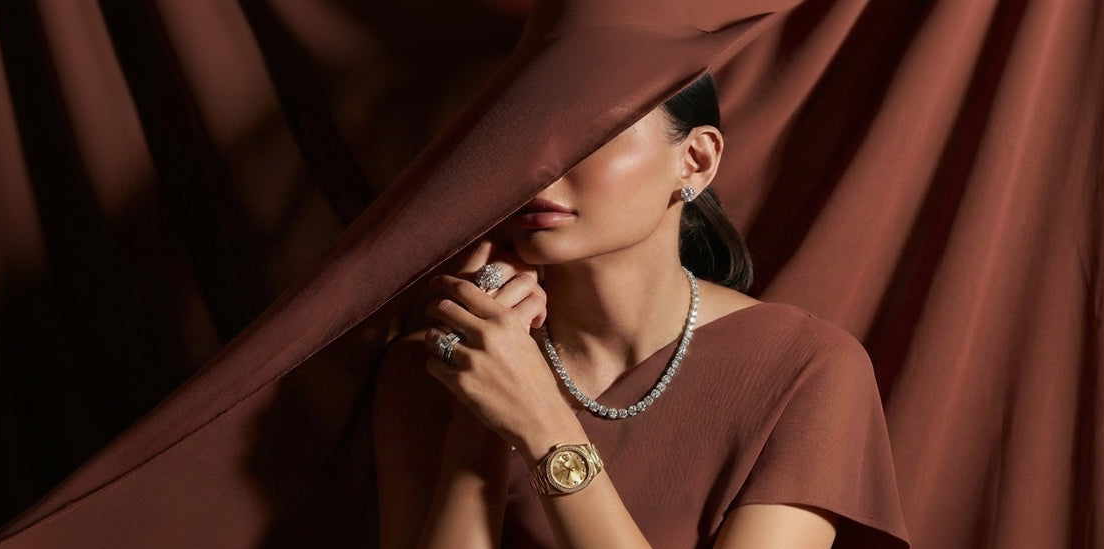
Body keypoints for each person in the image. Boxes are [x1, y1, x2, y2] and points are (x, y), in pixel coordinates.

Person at [373, 74, 908, 549]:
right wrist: (479, 416)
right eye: (517, 136)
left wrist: (543, 427)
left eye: (589, 135)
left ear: (695, 159)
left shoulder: (808, 370)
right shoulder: (430, 365)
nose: (538, 168)